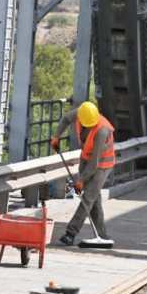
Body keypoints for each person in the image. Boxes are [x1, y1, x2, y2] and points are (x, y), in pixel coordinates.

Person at [50, 101, 116, 246]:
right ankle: (102, 235)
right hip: (86, 159)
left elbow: (94, 164)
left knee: (87, 198)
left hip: (102, 165)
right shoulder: (82, 113)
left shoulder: (102, 130)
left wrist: (80, 180)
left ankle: (70, 234)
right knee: (94, 199)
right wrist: (56, 136)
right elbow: (66, 119)